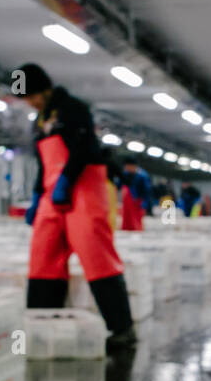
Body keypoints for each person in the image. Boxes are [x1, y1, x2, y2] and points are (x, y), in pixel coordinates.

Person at [17, 63, 137, 349]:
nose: (31, 102)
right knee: (43, 255)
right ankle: (42, 326)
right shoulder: (39, 121)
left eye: (33, 95)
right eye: (26, 99)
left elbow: (83, 147)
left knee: (95, 253)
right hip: (51, 192)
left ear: (45, 88)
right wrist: (37, 196)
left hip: (82, 187)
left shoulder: (73, 108)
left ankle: (122, 329)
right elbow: (42, 163)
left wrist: (66, 180)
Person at [118, 157, 153, 231]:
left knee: (136, 219)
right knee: (127, 218)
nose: (126, 169)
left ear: (133, 166)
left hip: (138, 201)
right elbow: (119, 185)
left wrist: (145, 203)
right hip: (127, 200)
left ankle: (137, 231)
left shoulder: (142, 176)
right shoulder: (125, 174)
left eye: (127, 167)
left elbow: (147, 191)